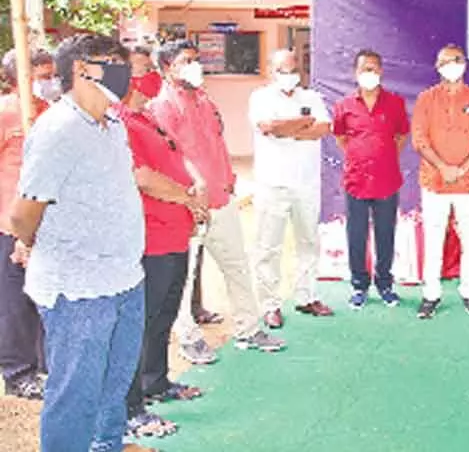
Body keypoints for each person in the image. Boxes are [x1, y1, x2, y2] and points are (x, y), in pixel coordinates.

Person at [9, 35, 144, 451]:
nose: (123, 72)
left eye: (123, 62)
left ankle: (107, 446)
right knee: (75, 398)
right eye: (111, 63)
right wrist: (34, 243)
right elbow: (22, 214)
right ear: (80, 71)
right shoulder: (58, 129)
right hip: (78, 290)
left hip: (124, 279)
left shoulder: (113, 123)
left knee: (113, 388)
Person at [149, 41, 284, 359]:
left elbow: (217, 144)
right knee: (185, 277)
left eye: (196, 60)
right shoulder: (162, 108)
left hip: (221, 200)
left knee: (236, 266)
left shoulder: (204, 101)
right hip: (190, 205)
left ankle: (249, 330)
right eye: (186, 61)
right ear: (168, 68)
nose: (195, 66)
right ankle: (189, 337)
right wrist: (189, 199)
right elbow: (172, 159)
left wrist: (228, 180)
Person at [119, 46, 206, 438]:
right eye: (142, 70)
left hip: (175, 233)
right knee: (142, 322)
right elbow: (142, 178)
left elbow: (174, 161)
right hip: (149, 237)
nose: (150, 75)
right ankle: (130, 405)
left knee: (164, 316)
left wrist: (193, 196)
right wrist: (187, 197)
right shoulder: (121, 121)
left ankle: (156, 381)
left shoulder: (149, 117)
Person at [249, 49, 334, 326]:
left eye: (293, 69)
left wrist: (288, 129)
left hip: (306, 183)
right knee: (268, 247)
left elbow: (323, 129)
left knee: (308, 242)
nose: (289, 76)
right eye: (283, 70)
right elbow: (268, 126)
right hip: (272, 183)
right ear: (271, 70)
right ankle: (270, 304)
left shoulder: (312, 98)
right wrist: (300, 125)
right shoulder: (260, 98)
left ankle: (306, 296)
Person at [411, 45, 469, 319]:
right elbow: (419, 139)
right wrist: (443, 167)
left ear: (465, 64)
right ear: (437, 67)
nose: (451, 66)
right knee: (433, 239)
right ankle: (430, 294)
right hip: (434, 181)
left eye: (456, 60)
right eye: (445, 62)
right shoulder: (425, 99)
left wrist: (462, 168)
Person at [332, 49, 409, 310]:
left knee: (386, 233)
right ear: (355, 73)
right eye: (365, 68)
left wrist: (383, 157)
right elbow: (341, 138)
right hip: (356, 180)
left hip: (387, 180)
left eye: (375, 68)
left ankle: (385, 284)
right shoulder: (344, 106)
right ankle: (359, 285)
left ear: (382, 72)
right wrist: (360, 156)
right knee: (356, 234)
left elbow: (401, 136)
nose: (370, 73)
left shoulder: (395, 103)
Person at [0, 48, 55, 400]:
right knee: (14, 302)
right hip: (10, 222)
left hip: (46, 221)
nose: (51, 81)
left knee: (42, 295)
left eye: (52, 74)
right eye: (44, 74)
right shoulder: (6, 113)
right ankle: (17, 372)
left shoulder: (48, 112)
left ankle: (41, 362)